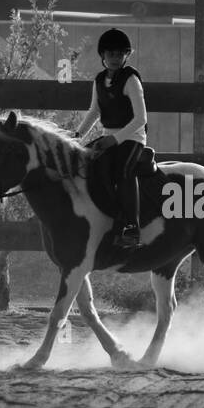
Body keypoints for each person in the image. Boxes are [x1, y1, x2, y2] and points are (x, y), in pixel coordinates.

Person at [75, 28, 148, 249]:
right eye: (110, 54)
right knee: (88, 166)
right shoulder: (98, 81)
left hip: (133, 138)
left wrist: (114, 140)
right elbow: (94, 112)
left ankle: (131, 228)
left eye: (119, 54)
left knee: (123, 171)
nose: (115, 59)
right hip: (109, 137)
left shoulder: (131, 80)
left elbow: (140, 119)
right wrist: (77, 135)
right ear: (103, 56)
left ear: (126, 55)